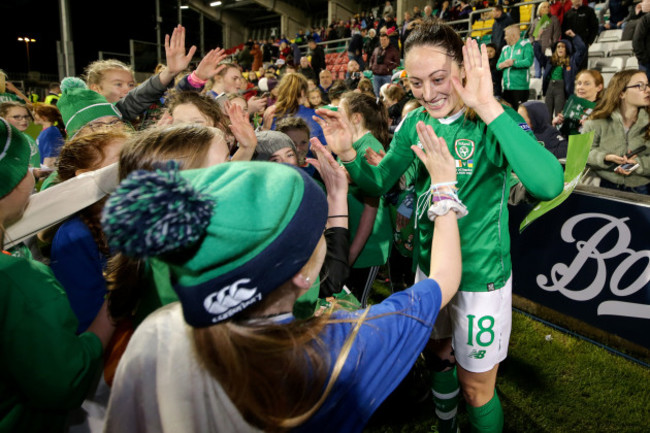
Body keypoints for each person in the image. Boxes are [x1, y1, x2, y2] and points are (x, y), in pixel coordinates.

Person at [102, 126, 463, 432]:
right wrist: (444, 185)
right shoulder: (342, 347)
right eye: (318, 232)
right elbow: (445, 277)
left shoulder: (155, 334)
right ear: (307, 277)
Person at [315, 21, 563, 433]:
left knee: (476, 390)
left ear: (463, 72)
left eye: (438, 79)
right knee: (438, 356)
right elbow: (379, 182)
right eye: (415, 83)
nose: (428, 94)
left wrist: (487, 107)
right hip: (428, 270)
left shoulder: (493, 118)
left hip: (481, 277)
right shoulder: (414, 124)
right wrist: (349, 149)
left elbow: (548, 183)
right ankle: (445, 425)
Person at [0, 118, 115, 432]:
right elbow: (64, 380)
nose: (33, 172)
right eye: (25, 167)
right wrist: (119, 296)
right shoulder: (20, 280)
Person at [584, 69, 650, 194]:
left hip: (642, 188)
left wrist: (638, 164)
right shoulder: (596, 121)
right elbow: (582, 154)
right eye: (639, 86)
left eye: (647, 85)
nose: (647, 90)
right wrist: (605, 157)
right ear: (621, 93)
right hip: (605, 186)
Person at [541, 30, 587, 117]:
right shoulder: (550, 61)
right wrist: (538, 38)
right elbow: (538, 53)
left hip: (561, 90)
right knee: (547, 115)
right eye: (558, 47)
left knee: (559, 114)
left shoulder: (572, 61)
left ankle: (558, 131)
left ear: (567, 49)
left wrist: (574, 36)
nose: (560, 49)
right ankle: (549, 130)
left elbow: (582, 49)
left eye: (563, 47)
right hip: (549, 89)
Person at [552, 69, 604, 137]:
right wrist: (555, 124)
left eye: (587, 84)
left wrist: (590, 128)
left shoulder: (603, 110)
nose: (581, 87)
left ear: (599, 87)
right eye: (579, 83)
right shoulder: (571, 104)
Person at [497, 24, 534, 110]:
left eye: (506, 35)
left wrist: (513, 63)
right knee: (507, 115)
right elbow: (498, 65)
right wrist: (503, 64)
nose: (504, 38)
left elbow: (528, 61)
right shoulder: (505, 49)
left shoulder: (526, 45)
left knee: (519, 115)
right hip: (506, 88)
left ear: (513, 35)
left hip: (520, 89)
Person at [0, 101, 40, 167]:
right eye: (16, 117)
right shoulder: (4, 141)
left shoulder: (27, 137)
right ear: (2, 118)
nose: (24, 120)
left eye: (26, 116)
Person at [562, 0, 599, 71]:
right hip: (571, 45)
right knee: (570, 67)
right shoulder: (567, 14)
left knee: (582, 67)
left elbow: (594, 27)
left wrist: (589, 42)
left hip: (583, 43)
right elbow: (564, 30)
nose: (577, 1)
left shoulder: (589, 11)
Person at [528, 1, 561, 78]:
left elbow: (557, 33)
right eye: (544, 7)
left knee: (547, 73)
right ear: (539, 10)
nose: (547, 8)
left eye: (548, 7)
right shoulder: (536, 21)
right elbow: (531, 34)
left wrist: (551, 44)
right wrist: (533, 42)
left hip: (548, 50)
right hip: (537, 49)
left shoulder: (554, 19)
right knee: (537, 73)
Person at [33, 103, 66, 167]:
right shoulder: (46, 131)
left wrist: (44, 172)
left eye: (35, 114)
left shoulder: (51, 132)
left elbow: (52, 157)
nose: (33, 116)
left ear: (44, 117)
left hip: (47, 173)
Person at [370, 32, 401, 98]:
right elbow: (371, 59)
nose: (382, 41)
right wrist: (371, 67)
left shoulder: (393, 50)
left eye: (384, 39)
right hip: (376, 75)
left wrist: (389, 68)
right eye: (381, 40)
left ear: (388, 40)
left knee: (387, 94)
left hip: (387, 75)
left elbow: (397, 62)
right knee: (377, 94)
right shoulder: (376, 49)